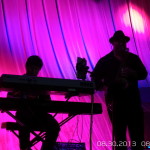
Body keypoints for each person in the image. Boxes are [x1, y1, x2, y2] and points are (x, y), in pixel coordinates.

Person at [91, 31, 147, 150]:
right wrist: (105, 87)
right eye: (118, 41)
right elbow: (94, 78)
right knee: (119, 136)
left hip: (133, 101)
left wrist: (133, 73)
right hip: (116, 102)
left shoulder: (133, 58)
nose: (121, 44)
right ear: (113, 43)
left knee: (137, 137)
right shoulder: (105, 60)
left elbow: (144, 74)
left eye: (123, 42)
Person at [7, 55, 60, 150]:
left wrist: (39, 97)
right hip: (23, 114)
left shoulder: (42, 83)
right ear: (26, 66)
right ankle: (25, 148)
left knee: (55, 127)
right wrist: (23, 95)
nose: (33, 70)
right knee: (23, 125)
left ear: (39, 70)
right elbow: (10, 96)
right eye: (31, 67)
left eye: (36, 68)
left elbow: (48, 101)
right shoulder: (18, 81)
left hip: (40, 115)